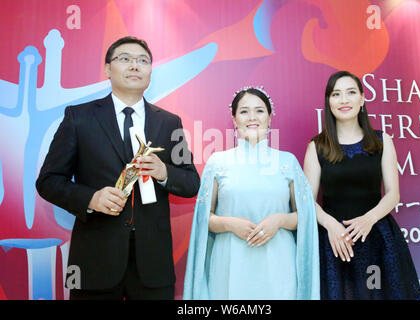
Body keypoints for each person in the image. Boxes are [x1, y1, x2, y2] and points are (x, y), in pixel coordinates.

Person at [36, 36, 200, 300]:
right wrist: (91, 198)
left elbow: (191, 183)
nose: (135, 66)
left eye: (142, 61)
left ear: (149, 72)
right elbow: (48, 181)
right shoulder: (78, 117)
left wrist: (164, 172)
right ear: (107, 69)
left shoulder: (169, 122)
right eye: (125, 59)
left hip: (153, 263)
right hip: (93, 260)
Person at [183, 86, 320, 299]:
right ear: (235, 119)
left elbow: (305, 215)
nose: (252, 117)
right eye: (244, 111)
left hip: (278, 263)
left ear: (270, 117)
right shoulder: (218, 162)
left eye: (259, 110)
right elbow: (204, 218)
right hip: (230, 262)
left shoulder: (288, 161)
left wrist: (280, 220)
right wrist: (230, 224)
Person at [303, 71, 420, 299]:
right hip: (335, 244)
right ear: (329, 102)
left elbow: (393, 194)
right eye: (336, 94)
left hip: (376, 240)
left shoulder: (381, 140)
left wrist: (368, 219)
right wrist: (331, 225)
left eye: (350, 93)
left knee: (376, 293)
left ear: (362, 98)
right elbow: (307, 199)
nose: (344, 100)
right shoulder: (317, 146)